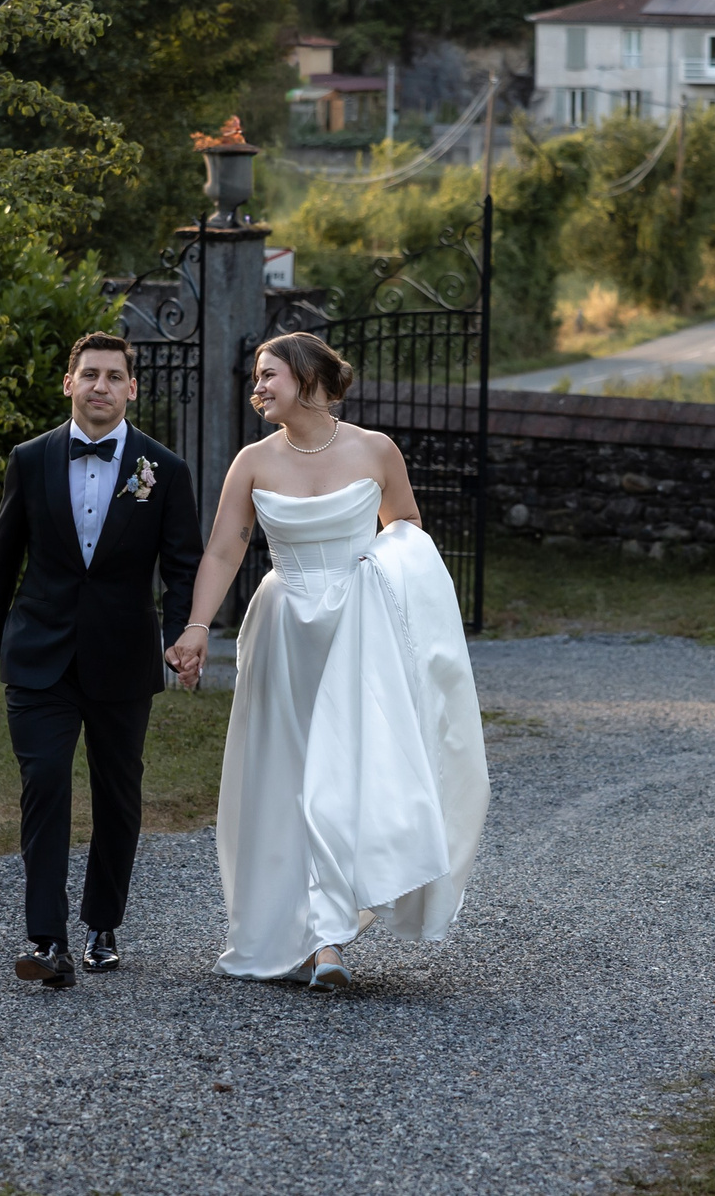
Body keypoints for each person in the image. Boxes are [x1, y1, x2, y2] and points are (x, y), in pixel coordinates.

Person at [182, 331, 489, 990]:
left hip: (359, 632)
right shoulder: (253, 462)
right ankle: (316, 940)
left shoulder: (376, 451)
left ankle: (328, 936)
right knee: (293, 780)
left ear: (308, 378)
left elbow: (405, 529)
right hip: (287, 633)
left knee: (343, 776)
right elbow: (223, 552)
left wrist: (382, 584)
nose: (257, 387)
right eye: (256, 378)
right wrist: (199, 625)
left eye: (268, 375)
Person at [0, 331, 205, 989]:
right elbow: (2, 558)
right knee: (44, 782)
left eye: (114, 376)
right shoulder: (31, 458)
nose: (100, 385)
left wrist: (186, 631)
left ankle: (104, 922)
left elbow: (183, 562)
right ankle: (47, 939)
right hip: (38, 653)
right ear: (67, 383)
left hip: (123, 657)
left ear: (132, 388)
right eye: (89, 374)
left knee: (118, 793)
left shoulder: (162, 470)